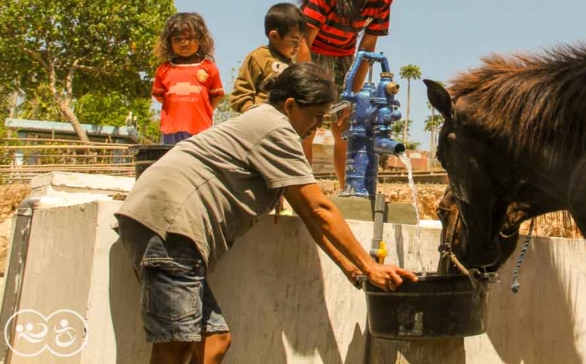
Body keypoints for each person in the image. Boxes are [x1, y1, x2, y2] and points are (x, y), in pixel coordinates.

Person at [115, 63, 417, 364]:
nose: (316, 127)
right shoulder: (276, 128)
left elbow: (310, 215)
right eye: (315, 117)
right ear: (290, 105)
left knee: (214, 343)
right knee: (176, 345)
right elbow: (321, 208)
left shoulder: (268, 126)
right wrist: (370, 267)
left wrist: (350, 267)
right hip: (170, 225)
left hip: (166, 224)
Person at [298, 0, 400, 190]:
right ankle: (303, 191)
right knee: (307, 127)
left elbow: (367, 48)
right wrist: (310, 85)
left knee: (347, 127)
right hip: (311, 55)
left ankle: (348, 191)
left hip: (345, 58)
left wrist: (352, 95)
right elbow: (303, 41)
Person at [152, 12, 225, 144]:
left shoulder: (209, 68)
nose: (184, 43)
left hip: (200, 129)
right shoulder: (164, 69)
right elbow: (159, 96)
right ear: (169, 43)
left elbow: (217, 95)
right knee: (173, 161)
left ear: (200, 40)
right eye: (177, 39)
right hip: (171, 129)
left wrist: (203, 110)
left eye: (189, 38)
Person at [229, 3, 304, 113]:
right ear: (274, 36)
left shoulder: (293, 66)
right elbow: (240, 94)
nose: (298, 47)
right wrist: (252, 114)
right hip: (261, 121)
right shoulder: (259, 57)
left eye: (300, 41)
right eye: (294, 41)